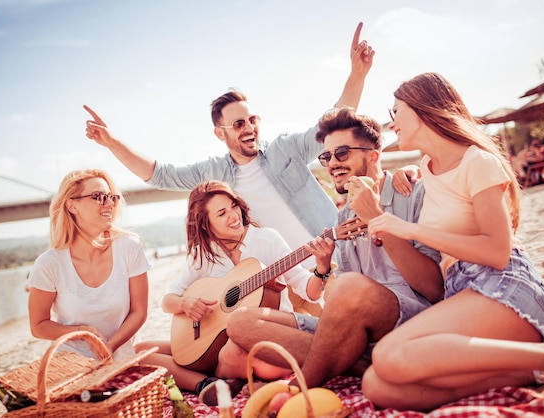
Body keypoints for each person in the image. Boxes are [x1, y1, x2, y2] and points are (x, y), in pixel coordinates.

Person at [82, 22, 374, 273]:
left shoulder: (285, 149)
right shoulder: (214, 173)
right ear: (219, 134)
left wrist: (357, 74)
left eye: (252, 119)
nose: (248, 128)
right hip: (286, 280)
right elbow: (159, 175)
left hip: (338, 255)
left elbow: (332, 124)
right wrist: (110, 142)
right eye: (237, 124)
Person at [361, 72, 544, 411]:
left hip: (502, 284)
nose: (391, 123)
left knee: (388, 354)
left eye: (396, 111)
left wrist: (410, 230)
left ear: (423, 109)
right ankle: (525, 371)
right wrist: (406, 172)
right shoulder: (426, 166)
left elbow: (498, 252)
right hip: (462, 291)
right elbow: (437, 181)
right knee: (376, 385)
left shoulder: (478, 162)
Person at [226, 108, 443, 389]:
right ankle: (358, 364)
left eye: (342, 153)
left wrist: (378, 219)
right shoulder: (343, 216)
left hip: (408, 320)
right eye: (326, 156)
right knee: (241, 322)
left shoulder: (414, 194)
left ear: (373, 156)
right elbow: (342, 303)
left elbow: (434, 289)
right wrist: (323, 268)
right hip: (360, 333)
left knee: (349, 286)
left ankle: (297, 390)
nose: (332, 163)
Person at [135, 180, 335, 405]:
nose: (233, 215)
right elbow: (167, 301)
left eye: (233, 206)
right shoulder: (204, 254)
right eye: (222, 213)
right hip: (216, 343)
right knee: (141, 351)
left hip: (266, 341)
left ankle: (215, 381)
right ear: (205, 225)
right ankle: (208, 382)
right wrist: (186, 305)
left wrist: (322, 268)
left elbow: (309, 290)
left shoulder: (266, 239)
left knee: (231, 351)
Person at [28, 169, 150, 360]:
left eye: (112, 197)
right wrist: (81, 331)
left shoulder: (129, 247)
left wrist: (110, 347)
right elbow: (38, 325)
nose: (109, 203)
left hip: (121, 359)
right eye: (99, 196)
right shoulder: (49, 264)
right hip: (69, 364)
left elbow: (139, 311)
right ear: (72, 206)